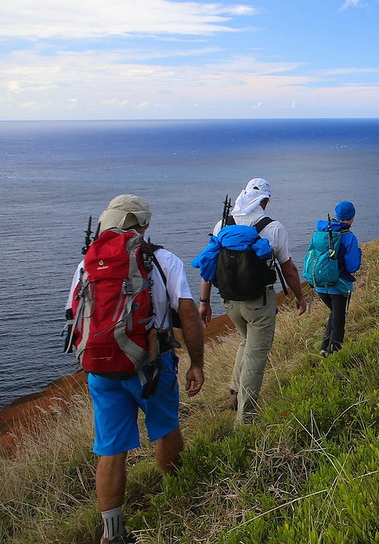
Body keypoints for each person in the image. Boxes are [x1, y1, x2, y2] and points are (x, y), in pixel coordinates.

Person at [66, 195, 205, 544]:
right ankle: (178, 500)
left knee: (111, 449)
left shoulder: (87, 264)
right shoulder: (163, 260)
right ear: (143, 225)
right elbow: (187, 313)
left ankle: (112, 534)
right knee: (165, 428)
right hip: (151, 366)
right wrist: (196, 362)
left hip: (102, 371)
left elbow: (74, 315)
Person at [197, 177, 306, 427]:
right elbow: (288, 269)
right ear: (265, 201)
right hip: (258, 302)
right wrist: (299, 296)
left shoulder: (222, 224)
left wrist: (204, 301)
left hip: (230, 301)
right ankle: (245, 419)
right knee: (257, 355)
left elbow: (208, 264)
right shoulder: (273, 227)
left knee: (246, 341)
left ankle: (234, 392)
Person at [313, 201, 362, 355]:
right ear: (352, 217)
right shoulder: (349, 237)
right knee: (339, 319)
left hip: (320, 284)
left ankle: (324, 348)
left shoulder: (321, 232)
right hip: (340, 285)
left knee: (335, 313)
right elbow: (353, 266)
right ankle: (333, 353)